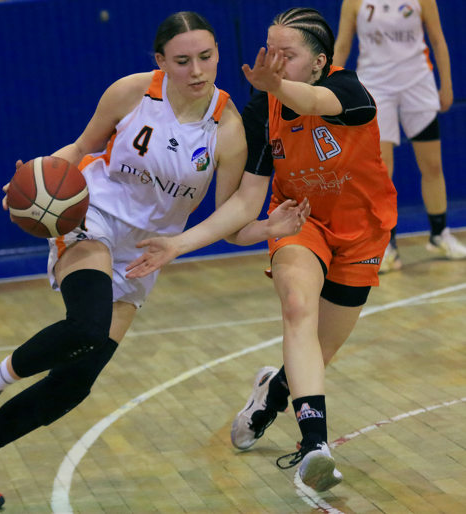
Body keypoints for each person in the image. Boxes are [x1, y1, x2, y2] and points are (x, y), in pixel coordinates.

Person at [0, 11, 309, 511]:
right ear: (160, 60)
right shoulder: (130, 92)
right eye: (182, 60)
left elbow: (231, 222)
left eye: (206, 57)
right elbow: (81, 148)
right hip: (93, 217)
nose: (196, 70)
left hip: (146, 251)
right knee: (87, 325)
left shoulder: (227, 127)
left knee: (75, 382)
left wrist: (266, 229)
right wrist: (34, 181)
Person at [126, 7, 398, 492]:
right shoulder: (260, 111)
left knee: (319, 350)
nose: (273, 62)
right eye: (269, 52)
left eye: (286, 55)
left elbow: (315, 100)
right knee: (298, 307)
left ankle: (270, 397)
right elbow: (243, 206)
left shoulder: (347, 89)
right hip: (299, 221)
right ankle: (315, 446)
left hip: (362, 231)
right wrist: (180, 244)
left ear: (318, 62)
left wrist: (280, 87)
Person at [334, 0, 466, 272]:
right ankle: (387, 246)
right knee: (381, 170)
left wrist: (447, 84)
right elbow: (342, 45)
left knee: (432, 165)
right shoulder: (354, 2)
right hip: (376, 86)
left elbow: (438, 40)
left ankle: (439, 235)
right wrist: (330, 89)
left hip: (418, 83)